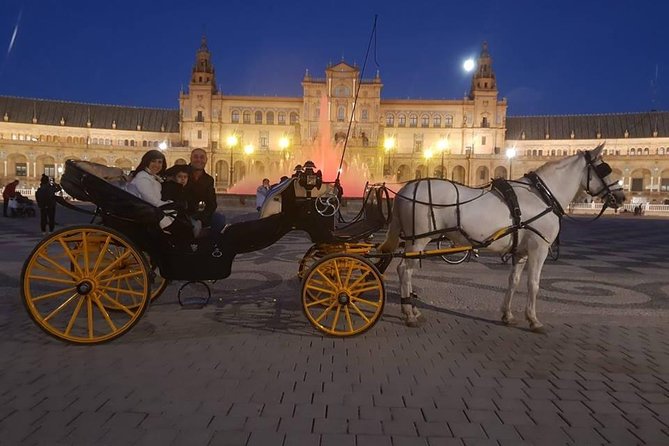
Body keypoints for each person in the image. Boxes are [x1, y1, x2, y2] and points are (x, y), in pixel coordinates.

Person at [184, 148, 226, 232]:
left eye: (202, 157)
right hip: (182, 213)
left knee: (219, 219)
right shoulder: (181, 173)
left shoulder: (208, 180)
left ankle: (212, 244)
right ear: (190, 158)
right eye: (195, 157)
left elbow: (212, 204)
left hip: (200, 214)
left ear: (206, 160)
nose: (199, 160)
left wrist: (201, 219)